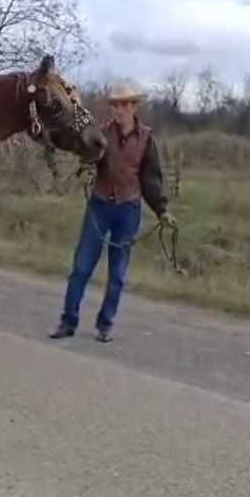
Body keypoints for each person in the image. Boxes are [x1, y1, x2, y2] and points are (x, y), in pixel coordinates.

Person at [50, 82, 175, 344]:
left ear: (133, 107)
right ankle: (68, 321)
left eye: (124, 104)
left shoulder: (146, 138)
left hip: (128, 210)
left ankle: (105, 324)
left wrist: (162, 209)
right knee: (81, 267)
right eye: (116, 105)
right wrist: (86, 166)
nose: (119, 110)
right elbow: (88, 156)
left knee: (117, 274)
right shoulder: (102, 133)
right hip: (100, 206)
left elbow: (151, 179)